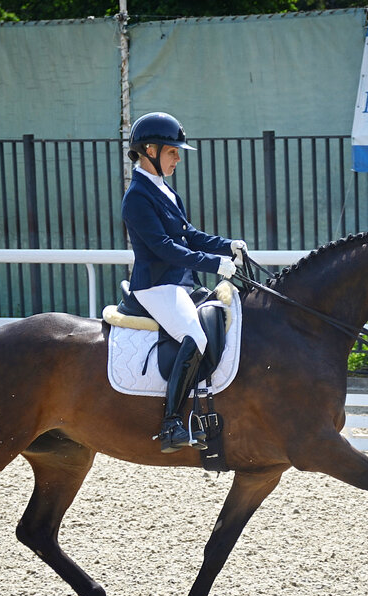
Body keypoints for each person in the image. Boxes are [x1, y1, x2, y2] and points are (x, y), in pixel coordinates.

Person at [121, 112, 248, 453]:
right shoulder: (137, 196)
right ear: (149, 149)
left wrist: (227, 246)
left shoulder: (165, 191)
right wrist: (214, 264)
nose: (178, 157)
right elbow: (164, 248)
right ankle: (171, 423)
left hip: (179, 283)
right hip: (156, 286)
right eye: (172, 151)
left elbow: (189, 235)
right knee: (195, 335)